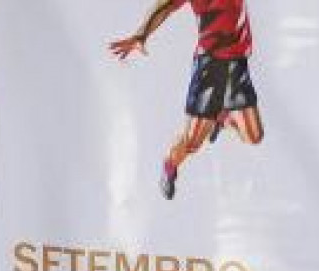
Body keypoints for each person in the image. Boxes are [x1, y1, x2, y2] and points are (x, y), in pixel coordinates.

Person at [110, 0, 264, 199]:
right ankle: (169, 165)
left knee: (254, 136)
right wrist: (141, 35)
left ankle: (222, 117)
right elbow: (165, 7)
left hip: (237, 64)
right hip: (209, 66)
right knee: (192, 142)